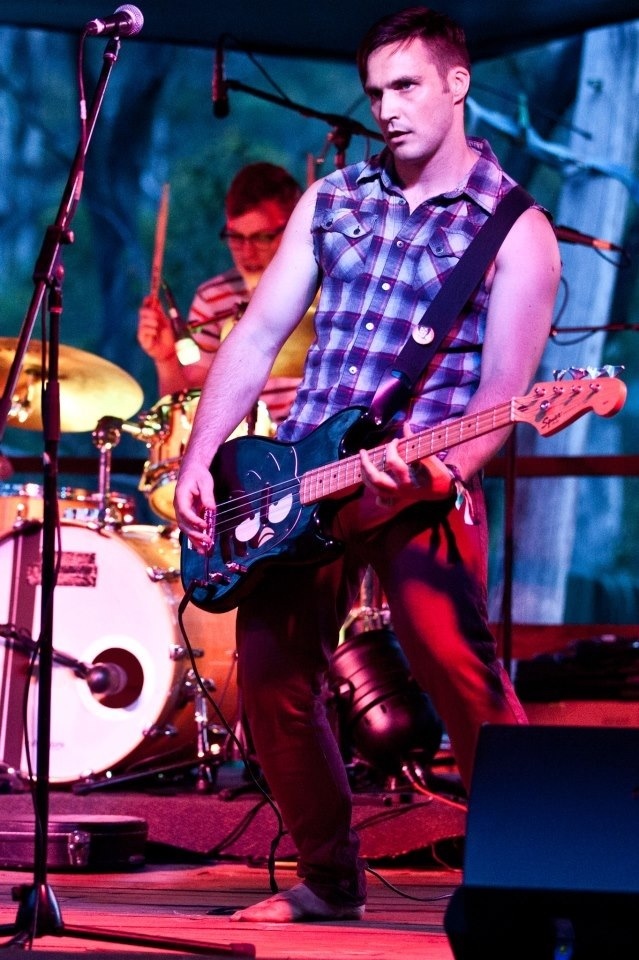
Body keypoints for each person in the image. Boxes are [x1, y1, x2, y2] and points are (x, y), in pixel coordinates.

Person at [174, 6, 561, 923]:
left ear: (456, 84)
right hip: (303, 477)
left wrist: (440, 471)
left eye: (406, 86)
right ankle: (327, 877)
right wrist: (201, 451)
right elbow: (256, 335)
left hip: (420, 477)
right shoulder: (334, 200)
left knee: (456, 668)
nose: (386, 108)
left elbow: (502, 394)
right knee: (268, 676)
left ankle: (541, 875)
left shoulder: (517, 231)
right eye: (375, 91)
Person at [137, 161, 313, 423]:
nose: (247, 251)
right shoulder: (213, 299)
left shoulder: (325, 294)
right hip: (244, 446)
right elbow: (189, 418)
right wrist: (166, 359)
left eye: (262, 237)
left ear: (293, 229)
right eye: (236, 237)